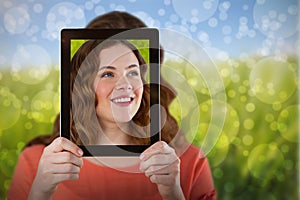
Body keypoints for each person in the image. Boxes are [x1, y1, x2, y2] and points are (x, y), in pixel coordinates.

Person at [8, 11, 217, 200]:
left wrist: (173, 194)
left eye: (132, 72)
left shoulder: (188, 163)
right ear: (82, 85)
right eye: (108, 73)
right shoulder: (36, 164)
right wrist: (39, 194)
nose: (125, 84)